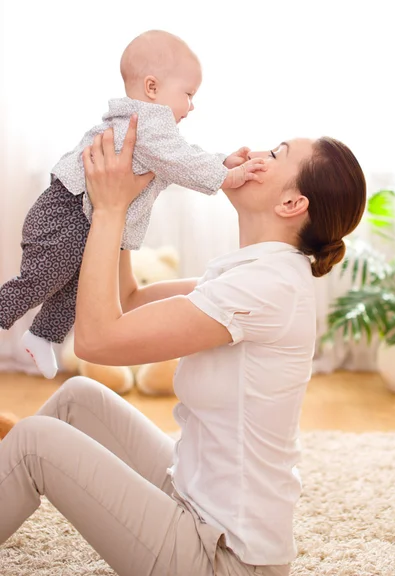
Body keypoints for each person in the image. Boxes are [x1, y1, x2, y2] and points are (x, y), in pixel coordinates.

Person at [0, 117, 367, 575]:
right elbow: (129, 301)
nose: (254, 152)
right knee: (79, 398)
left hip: (222, 558)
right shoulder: (252, 271)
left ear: (292, 203)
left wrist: (110, 210)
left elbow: (97, 339)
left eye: (275, 154)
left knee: (36, 441)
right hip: (191, 495)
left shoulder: (267, 286)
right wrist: (133, 200)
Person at [0, 30, 264, 379]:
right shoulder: (147, 122)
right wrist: (227, 176)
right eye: (188, 94)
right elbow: (182, 162)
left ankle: (42, 335)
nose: (192, 105)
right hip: (64, 213)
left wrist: (221, 161)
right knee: (41, 280)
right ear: (152, 88)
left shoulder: (154, 136)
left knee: (79, 284)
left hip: (80, 217)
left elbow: (180, 160)